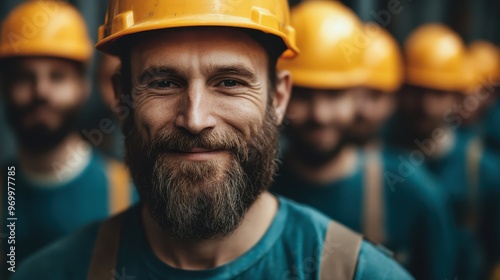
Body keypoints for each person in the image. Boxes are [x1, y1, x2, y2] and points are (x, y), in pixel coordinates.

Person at [12, 0, 413, 279]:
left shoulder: (359, 273)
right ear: (122, 98)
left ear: (278, 98)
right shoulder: (52, 273)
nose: (196, 119)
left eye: (230, 82)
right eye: (164, 83)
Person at [271, 2, 454, 279]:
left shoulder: (413, 193)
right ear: (280, 94)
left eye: (334, 95)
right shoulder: (255, 191)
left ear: (358, 96)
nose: (320, 115)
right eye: (304, 94)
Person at [0, 1, 136, 276]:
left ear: (83, 87)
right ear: (5, 87)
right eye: (25, 77)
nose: (41, 92)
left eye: (57, 77)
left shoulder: (126, 194)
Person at [385, 24, 500, 279]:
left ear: (458, 98)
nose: (425, 105)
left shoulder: (485, 172)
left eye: (438, 93)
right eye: (417, 90)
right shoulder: (379, 163)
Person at [346, 25, 402, 150]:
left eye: (375, 96)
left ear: (393, 101)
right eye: (354, 94)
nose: (363, 110)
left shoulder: (402, 167)